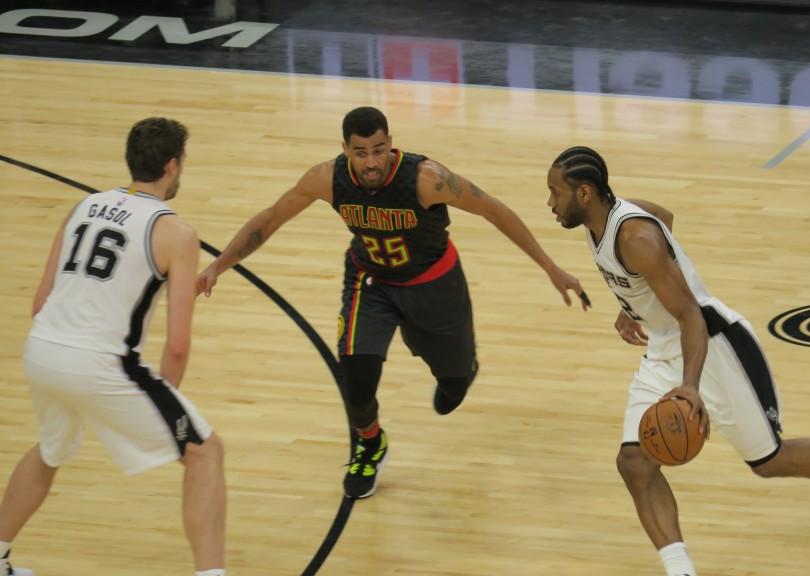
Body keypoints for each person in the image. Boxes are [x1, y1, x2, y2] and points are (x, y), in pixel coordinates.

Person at [545, 146, 810, 576]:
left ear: (584, 193)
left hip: (712, 344)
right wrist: (635, 303)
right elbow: (666, 220)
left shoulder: (635, 238)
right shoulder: (607, 218)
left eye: (555, 193)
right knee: (634, 462)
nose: (549, 203)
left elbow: (689, 311)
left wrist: (689, 386)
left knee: (770, 462)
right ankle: (680, 570)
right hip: (665, 346)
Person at [196, 106, 588, 499]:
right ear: (345, 149)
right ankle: (370, 443)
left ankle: (460, 372)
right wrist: (218, 266)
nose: (372, 162)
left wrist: (550, 267)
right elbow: (270, 219)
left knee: (452, 383)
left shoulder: (427, 179)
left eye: (379, 150)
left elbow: (493, 210)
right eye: (361, 152)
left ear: (391, 143)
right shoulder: (327, 179)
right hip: (372, 283)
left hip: (435, 286)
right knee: (356, 381)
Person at [0, 118, 227, 576]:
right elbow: (178, 345)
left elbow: (40, 301)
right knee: (204, 451)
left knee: (50, 449)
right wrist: (169, 407)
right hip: (101, 363)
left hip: (43, 347)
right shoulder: (177, 232)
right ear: (171, 165)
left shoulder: (85, 206)